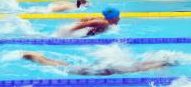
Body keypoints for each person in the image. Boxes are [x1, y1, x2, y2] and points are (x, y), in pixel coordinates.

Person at [21, 51, 177, 76]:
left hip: (101, 68)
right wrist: (161, 64)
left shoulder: (125, 67)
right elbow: (141, 66)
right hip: (101, 69)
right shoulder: (126, 68)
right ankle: (37, 57)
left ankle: (38, 57)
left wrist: (160, 63)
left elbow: (141, 65)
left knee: (63, 66)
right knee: (61, 67)